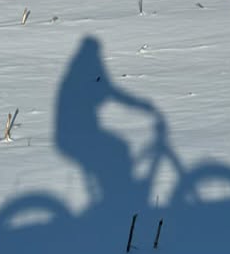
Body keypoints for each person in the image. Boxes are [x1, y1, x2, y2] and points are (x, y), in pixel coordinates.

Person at [53, 37, 158, 206]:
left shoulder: (78, 70)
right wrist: (142, 106)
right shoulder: (83, 72)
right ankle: (113, 198)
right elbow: (109, 91)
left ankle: (111, 193)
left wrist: (139, 105)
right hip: (74, 134)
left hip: (74, 131)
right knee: (119, 149)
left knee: (114, 150)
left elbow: (106, 90)